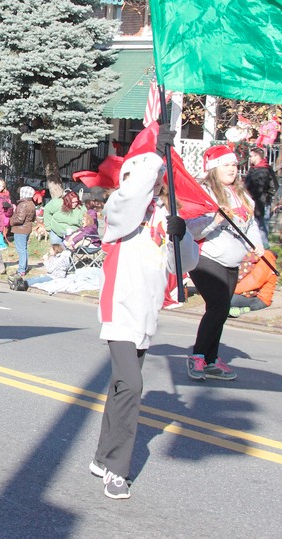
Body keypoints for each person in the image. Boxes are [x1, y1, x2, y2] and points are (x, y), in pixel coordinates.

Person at [91, 127, 200, 499]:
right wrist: (156, 154)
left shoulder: (163, 215)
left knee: (121, 386)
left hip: (147, 315)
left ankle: (102, 456)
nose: (153, 185)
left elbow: (183, 265)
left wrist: (181, 235)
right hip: (120, 309)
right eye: (148, 178)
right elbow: (133, 194)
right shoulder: (119, 211)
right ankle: (117, 470)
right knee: (133, 386)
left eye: (157, 180)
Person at [186, 145, 264, 381]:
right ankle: (197, 356)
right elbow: (191, 229)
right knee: (219, 306)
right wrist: (216, 220)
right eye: (226, 165)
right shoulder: (203, 193)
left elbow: (251, 225)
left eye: (234, 165)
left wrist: (258, 244)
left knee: (220, 310)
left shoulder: (241, 194)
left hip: (231, 263)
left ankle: (211, 360)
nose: (232, 169)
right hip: (206, 259)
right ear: (213, 168)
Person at [244, 147, 278, 247]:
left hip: (261, 203)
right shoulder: (254, 169)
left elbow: (273, 186)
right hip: (251, 201)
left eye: (251, 156)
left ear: (257, 156)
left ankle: (265, 247)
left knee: (261, 225)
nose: (249, 158)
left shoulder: (264, 170)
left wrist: (266, 198)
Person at [230, 249, 278, 315]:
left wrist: (230, 290)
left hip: (261, 300)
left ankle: (239, 309)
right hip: (250, 295)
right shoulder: (260, 258)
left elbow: (254, 282)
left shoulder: (266, 260)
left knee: (228, 299)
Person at [10, 185, 37, 276]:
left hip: (20, 229)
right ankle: (24, 267)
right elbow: (33, 218)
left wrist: (11, 221)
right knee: (24, 249)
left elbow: (19, 219)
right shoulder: (32, 204)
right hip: (27, 228)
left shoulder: (22, 204)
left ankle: (21, 270)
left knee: (21, 250)